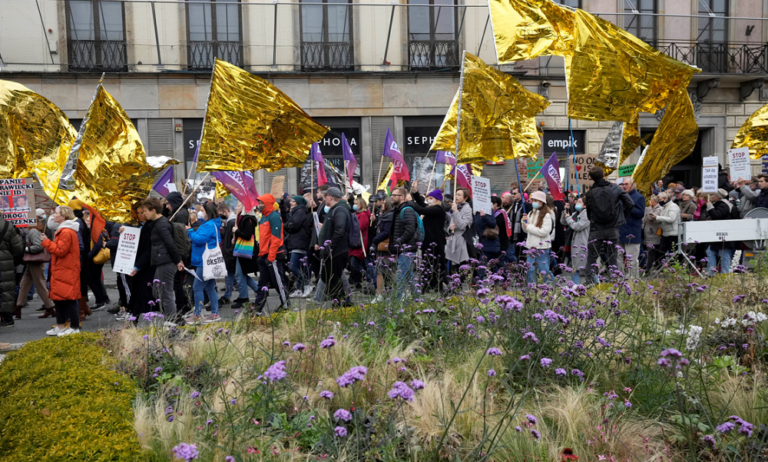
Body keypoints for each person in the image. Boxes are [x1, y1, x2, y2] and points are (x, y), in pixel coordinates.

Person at [583, 167, 634, 284]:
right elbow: (630, 203)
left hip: (596, 228)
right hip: (612, 228)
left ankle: (589, 283)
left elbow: (589, 212)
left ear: (591, 178)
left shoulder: (590, 193)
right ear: (604, 175)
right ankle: (614, 282)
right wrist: (621, 217)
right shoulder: (615, 188)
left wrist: (594, 220)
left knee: (591, 257)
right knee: (613, 258)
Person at [40, 206, 81, 336]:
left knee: (69, 299)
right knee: (59, 299)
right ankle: (61, 326)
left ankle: (74, 327)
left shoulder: (66, 232)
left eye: (56, 213)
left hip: (66, 270)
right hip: (63, 269)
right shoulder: (64, 230)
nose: (53, 215)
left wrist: (46, 242)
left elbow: (60, 251)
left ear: (63, 216)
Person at [144, 198, 183, 323]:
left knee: (165, 295)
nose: (144, 214)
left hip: (166, 262)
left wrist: (178, 261)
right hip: (161, 261)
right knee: (157, 292)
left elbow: (170, 244)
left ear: (153, 211)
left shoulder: (161, 224)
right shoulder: (156, 223)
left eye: (145, 211)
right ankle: (175, 319)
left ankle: (172, 322)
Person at [183, 202, 221, 324]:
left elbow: (199, 239)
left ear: (208, 212)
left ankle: (197, 315)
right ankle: (215, 313)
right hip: (208, 260)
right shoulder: (211, 224)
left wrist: (189, 231)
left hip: (203, 261)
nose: (201, 212)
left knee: (197, 288)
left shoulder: (208, 225)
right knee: (210, 288)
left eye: (203, 210)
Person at [253, 194, 290, 312]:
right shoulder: (264, 217)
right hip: (265, 255)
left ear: (267, 203)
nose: (259, 205)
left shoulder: (274, 217)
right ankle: (258, 308)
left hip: (272, 256)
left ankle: (286, 305)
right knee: (262, 284)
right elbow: (264, 238)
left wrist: (271, 257)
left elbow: (276, 238)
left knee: (278, 282)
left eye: (261, 203)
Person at [14, 213, 55, 319]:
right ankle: (18, 307)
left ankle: (50, 308)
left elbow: (38, 247)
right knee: (24, 285)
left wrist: (26, 250)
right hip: (32, 263)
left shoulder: (32, 231)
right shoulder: (33, 230)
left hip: (36, 263)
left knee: (40, 286)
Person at [315, 186, 351, 306]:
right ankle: (342, 301)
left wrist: (329, 246)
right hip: (333, 251)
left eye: (325, 197)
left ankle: (340, 303)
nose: (325, 200)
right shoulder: (336, 209)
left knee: (334, 279)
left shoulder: (340, 210)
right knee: (330, 277)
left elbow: (340, 230)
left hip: (336, 251)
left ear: (330, 197)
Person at [410, 186, 447, 292]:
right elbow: (422, 204)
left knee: (435, 265)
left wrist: (410, 202)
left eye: (431, 198)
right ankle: (429, 286)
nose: (428, 200)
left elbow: (421, 209)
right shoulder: (431, 208)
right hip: (429, 242)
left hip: (436, 242)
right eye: (428, 197)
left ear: (437, 199)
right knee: (428, 264)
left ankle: (437, 287)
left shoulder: (438, 209)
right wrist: (416, 192)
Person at [388, 187, 420, 299]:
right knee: (409, 277)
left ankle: (395, 304)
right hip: (403, 249)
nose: (392, 197)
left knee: (400, 277)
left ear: (402, 197)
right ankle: (418, 299)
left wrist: (399, 242)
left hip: (407, 249)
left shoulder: (407, 210)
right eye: (392, 195)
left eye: (395, 195)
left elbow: (410, 229)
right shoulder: (398, 210)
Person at [232, 202, 261, 308]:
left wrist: (237, 231)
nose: (236, 207)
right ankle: (258, 291)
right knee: (241, 274)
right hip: (242, 250)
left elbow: (248, 235)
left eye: (239, 206)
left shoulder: (247, 219)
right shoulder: (242, 218)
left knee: (240, 275)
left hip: (245, 251)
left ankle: (245, 297)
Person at [522, 191, 555, 284]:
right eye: (532, 200)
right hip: (531, 246)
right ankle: (532, 289)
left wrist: (529, 227)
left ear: (541, 202)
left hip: (542, 248)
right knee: (530, 270)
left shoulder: (547, 215)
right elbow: (526, 231)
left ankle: (551, 287)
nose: (533, 202)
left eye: (536, 200)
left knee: (543, 270)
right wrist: (523, 223)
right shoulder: (531, 213)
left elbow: (544, 232)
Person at [285, 195, 313, 298]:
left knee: (293, 266)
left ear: (297, 203)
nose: (290, 203)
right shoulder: (296, 212)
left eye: (292, 201)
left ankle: (306, 285)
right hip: (297, 241)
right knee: (297, 267)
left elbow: (294, 225)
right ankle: (299, 289)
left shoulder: (300, 212)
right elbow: (289, 224)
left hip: (299, 242)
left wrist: (288, 225)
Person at [617, 179, 645, 279]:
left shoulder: (639, 197)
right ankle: (619, 277)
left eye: (626, 184)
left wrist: (628, 206)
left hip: (632, 232)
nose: (624, 186)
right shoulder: (620, 197)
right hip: (619, 231)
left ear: (633, 185)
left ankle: (632, 280)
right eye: (623, 184)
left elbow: (640, 213)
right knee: (618, 257)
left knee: (631, 259)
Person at [0, 214, 24, 328]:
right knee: (6, 289)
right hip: (5, 262)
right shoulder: (8, 225)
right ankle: (7, 317)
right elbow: (17, 248)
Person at [704, 189, 734, 275]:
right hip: (717, 234)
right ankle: (712, 273)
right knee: (711, 252)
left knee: (723, 253)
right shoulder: (719, 205)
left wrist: (710, 206)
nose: (712, 196)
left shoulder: (723, 206)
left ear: (718, 196)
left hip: (723, 234)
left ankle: (724, 274)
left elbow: (717, 216)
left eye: (713, 195)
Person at [371, 198, 394, 303]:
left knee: (382, 271)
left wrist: (375, 240)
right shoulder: (384, 216)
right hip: (382, 248)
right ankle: (387, 293)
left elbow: (385, 232)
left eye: (384, 203)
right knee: (384, 272)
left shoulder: (389, 217)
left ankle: (380, 294)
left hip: (386, 248)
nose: (382, 205)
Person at [562, 197, 589, 283]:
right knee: (575, 267)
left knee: (583, 267)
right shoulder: (575, 214)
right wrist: (565, 212)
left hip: (582, 244)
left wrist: (568, 218)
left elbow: (577, 226)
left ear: (585, 205)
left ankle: (594, 283)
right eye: (577, 201)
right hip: (573, 244)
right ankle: (575, 286)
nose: (577, 203)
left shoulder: (587, 214)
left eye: (580, 202)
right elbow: (564, 222)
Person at [445, 188, 473, 272]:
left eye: (459, 195)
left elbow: (462, 225)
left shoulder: (468, 209)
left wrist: (456, 212)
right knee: (452, 268)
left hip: (461, 241)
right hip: (452, 240)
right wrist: (449, 229)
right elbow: (449, 225)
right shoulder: (455, 207)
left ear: (466, 197)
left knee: (460, 268)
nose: (456, 196)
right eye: (456, 194)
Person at [648, 191, 680, 262]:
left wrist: (657, 217)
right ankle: (661, 269)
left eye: (660, 200)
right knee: (661, 252)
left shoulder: (673, 206)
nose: (659, 201)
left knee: (672, 253)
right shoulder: (663, 207)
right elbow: (662, 218)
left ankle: (672, 269)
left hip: (673, 233)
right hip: (665, 232)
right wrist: (655, 219)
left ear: (666, 199)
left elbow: (671, 219)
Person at [348, 196, 372, 292]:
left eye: (356, 204)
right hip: (355, 242)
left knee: (354, 264)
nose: (354, 205)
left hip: (360, 242)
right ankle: (358, 283)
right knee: (354, 264)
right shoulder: (357, 214)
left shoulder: (363, 215)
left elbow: (359, 227)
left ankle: (368, 278)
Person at [218, 203, 236, 306]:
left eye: (221, 213)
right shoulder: (229, 221)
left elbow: (230, 239)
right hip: (229, 252)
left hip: (230, 253)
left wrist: (228, 251)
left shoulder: (231, 222)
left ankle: (227, 295)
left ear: (225, 211)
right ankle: (227, 295)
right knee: (235, 276)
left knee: (234, 275)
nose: (221, 215)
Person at [642, 195, 664, 273]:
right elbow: (644, 218)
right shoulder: (648, 208)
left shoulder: (659, 209)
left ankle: (648, 269)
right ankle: (651, 267)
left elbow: (651, 218)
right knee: (649, 251)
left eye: (650, 201)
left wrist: (649, 208)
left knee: (652, 251)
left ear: (654, 201)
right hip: (646, 232)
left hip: (653, 233)